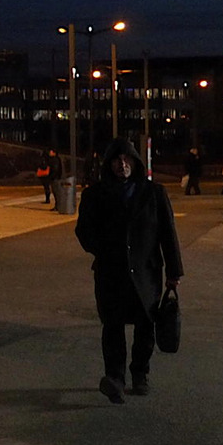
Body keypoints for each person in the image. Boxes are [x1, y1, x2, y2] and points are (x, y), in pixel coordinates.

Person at [75, 138, 183, 404]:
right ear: (108, 164)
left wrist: (174, 271)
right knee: (112, 325)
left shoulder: (154, 193)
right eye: (116, 160)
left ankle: (140, 374)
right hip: (111, 272)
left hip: (146, 271)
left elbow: (168, 233)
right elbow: (83, 231)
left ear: (135, 163)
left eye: (127, 160)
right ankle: (115, 378)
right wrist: (103, 249)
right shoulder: (94, 194)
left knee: (145, 323)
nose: (122, 165)